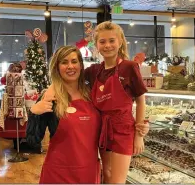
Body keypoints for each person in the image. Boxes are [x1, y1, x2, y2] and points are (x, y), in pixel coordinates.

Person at [39, 21, 149, 184]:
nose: (107, 45)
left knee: (117, 180)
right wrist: (48, 92)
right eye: (102, 41)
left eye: (112, 40)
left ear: (120, 42)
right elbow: (68, 76)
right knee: (107, 173)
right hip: (103, 128)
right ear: (96, 45)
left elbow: (141, 101)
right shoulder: (94, 71)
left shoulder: (130, 67)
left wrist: (139, 134)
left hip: (123, 129)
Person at [30, 46, 101, 184]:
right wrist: (34, 113)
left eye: (74, 61)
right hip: (58, 174)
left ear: (81, 65)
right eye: (64, 62)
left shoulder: (92, 94)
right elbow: (33, 141)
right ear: (57, 67)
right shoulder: (50, 97)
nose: (70, 66)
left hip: (89, 173)